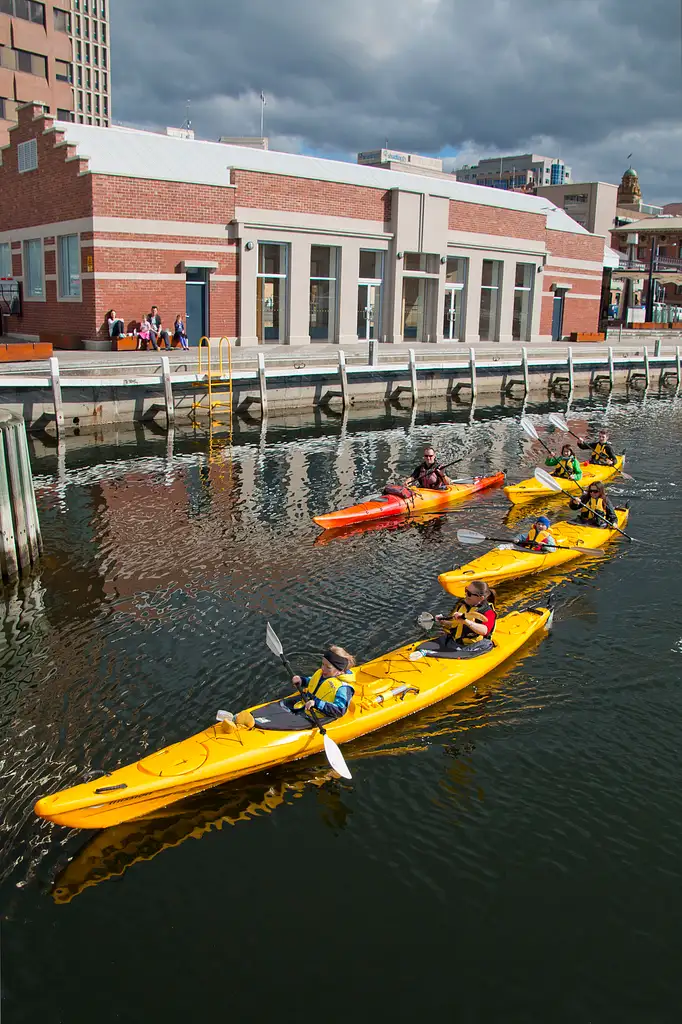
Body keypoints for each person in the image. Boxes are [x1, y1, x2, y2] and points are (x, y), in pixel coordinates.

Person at [410, 580, 497, 660]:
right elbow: (455, 624)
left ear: (481, 598)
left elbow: (484, 630)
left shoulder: (488, 612)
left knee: (446, 653)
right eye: (466, 590)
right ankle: (434, 652)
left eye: (469, 594)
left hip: (473, 645)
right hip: (454, 641)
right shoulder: (462, 606)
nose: (466, 594)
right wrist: (444, 622)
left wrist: (465, 621)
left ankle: (437, 654)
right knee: (420, 647)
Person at [287, 646, 356, 721]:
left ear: (340, 671)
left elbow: (340, 710)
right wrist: (302, 680)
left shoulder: (343, 688)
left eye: (328, 667)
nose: (323, 668)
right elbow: (314, 682)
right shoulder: (323, 674)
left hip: (319, 716)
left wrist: (316, 703)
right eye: (323, 664)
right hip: (305, 705)